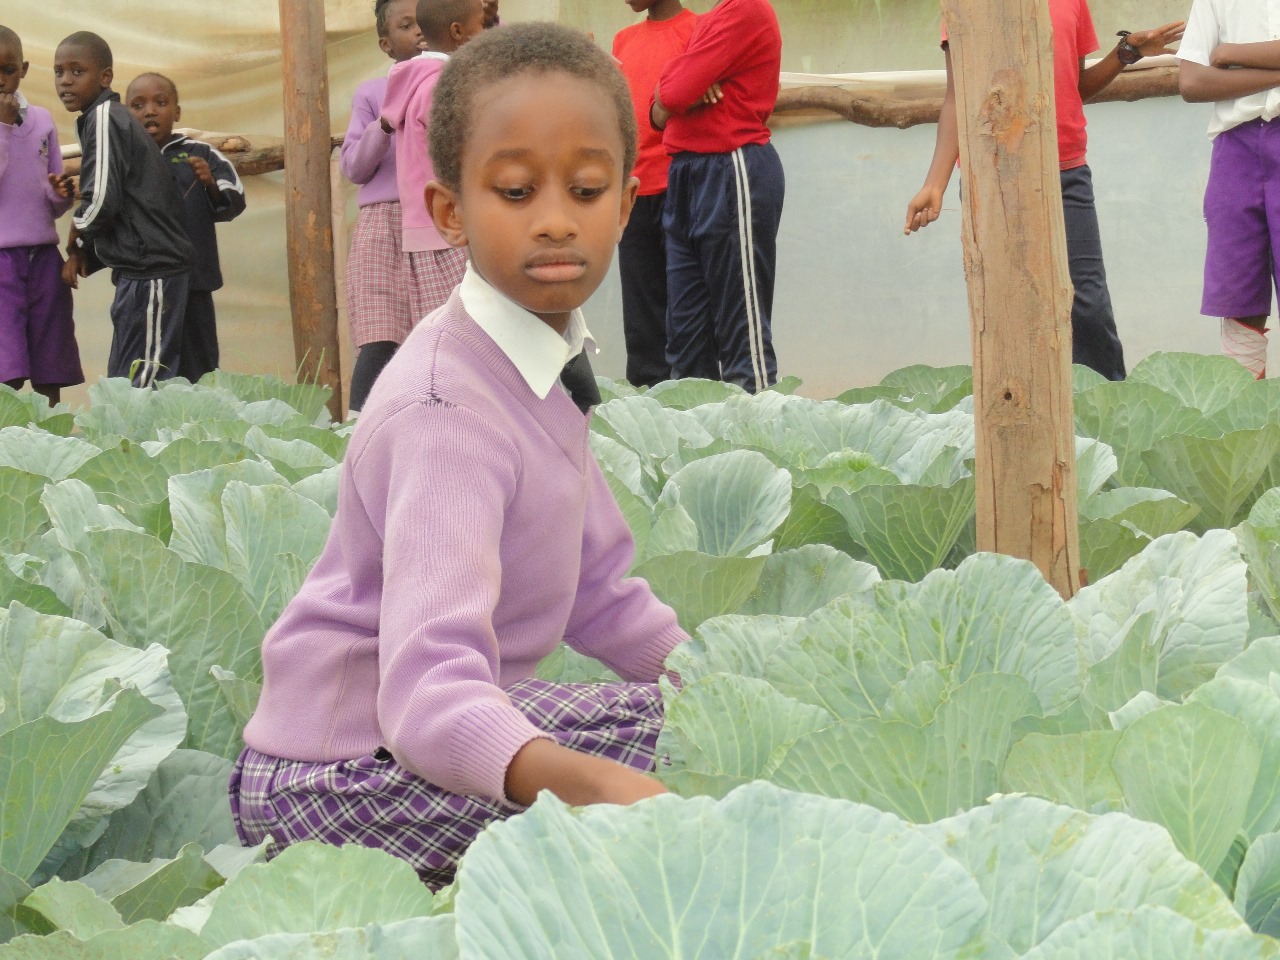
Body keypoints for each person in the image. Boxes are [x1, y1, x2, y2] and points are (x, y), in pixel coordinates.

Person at [231, 22, 689, 890]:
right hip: (334, 775)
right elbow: (430, 699)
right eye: (515, 191)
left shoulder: (543, 360)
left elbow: (604, 593)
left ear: (626, 203)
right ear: (449, 213)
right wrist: (599, 788)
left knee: (701, 733)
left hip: (418, 732)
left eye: (586, 189)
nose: (555, 219)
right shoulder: (448, 405)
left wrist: (725, 689)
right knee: (665, 797)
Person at [903, 7, 1184, 382]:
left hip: (1066, 171)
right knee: (1010, 309)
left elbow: (1074, 86)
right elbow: (958, 97)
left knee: (1088, 308)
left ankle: (1103, 416)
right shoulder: (967, 7)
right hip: (993, 176)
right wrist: (934, 183)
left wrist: (1126, 53)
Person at [651, 0, 784, 394]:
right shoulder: (712, 19)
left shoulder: (746, 8)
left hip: (731, 168)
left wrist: (676, 86)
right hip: (687, 173)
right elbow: (657, 113)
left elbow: (671, 96)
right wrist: (677, 86)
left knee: (743, 336)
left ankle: (759, 440)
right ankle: (702, 444)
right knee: (685, 339)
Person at [53, 31, 194, 388]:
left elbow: (101, 198)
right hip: (140, 269)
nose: (66, 81)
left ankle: (142, 444)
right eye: (59, 72)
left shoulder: (104, 118)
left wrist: (77, 232)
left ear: (104, 78)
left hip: (154, 270)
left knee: (143, 379)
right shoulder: (102, 118)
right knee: (126, 374)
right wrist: (91, 249)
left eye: (77, 71)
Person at [1178, 1, 1280, 379]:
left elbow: (1215, 59)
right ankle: (1247, 420)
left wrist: (1229, 54)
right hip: (1235, 147)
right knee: (1238, 292)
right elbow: (1192, 82)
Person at [126, 73, 246, 383]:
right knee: (147, 365)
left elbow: (234, 200)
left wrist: (209, 184)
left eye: (160, 102)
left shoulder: (200, 153)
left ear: (177, 112)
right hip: (145, 285)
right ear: (127, 114)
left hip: (195, 283)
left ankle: (198, 426)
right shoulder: (125, 160)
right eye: (138, 105)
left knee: (201, 366)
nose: (149, 111)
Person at [339, 0, 428, 414]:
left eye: (424, 21)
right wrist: (386, 124)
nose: (419, 31)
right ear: (386, 44)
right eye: (406, 25)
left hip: (437, 224)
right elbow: (354, 167)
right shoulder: (373, 94)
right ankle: (355, 431)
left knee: (444, 335)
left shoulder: (455, 85)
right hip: (382, 226)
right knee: (380, 336)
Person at [611, 0, 698, 388]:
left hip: (681, 184)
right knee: (641, 307)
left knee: (689, 305)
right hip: (632, 188)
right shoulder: (623, 41)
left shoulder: (700, 31)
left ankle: (694, 392)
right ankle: (646, 397)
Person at [0, 24, 83, 404]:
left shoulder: (42, 120)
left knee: (51, 360)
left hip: (44, 257)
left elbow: (49, 197)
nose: (0, 79)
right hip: (2, 260)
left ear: (24, 70)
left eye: (8, 69)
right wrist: (2, 127)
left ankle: (52, 441)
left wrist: (62, 193)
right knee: (7, 363)